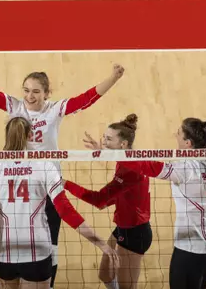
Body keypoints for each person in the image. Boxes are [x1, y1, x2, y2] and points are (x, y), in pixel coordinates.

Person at [0, 47, 124, 289]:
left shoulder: (54, 109)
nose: (30, 96)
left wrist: (113, 78)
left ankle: (45, 281)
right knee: (18, 229)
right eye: (27, 91)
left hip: (47, 182)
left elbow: (86, 99)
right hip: (16, 177)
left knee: (50, 243)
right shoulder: (14, 106)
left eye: (36, 92)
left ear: (46, 93)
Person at [82, 99, 206, 289]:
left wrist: (108, 152)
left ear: (188, 143)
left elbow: (146, 166)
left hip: (192, 250)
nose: (174, 134)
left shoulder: (185, 170)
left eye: (178, 133)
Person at [0, 117, 119, 289]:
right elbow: (65, 211)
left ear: (7, 135)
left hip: (4, 255)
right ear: (31, 136)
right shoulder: (46, 166)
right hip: (37, 254)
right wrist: (100, 242)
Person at [64, 114, 152, 289]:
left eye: (108, 139)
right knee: (105, 273)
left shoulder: (129, 170)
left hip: (135, 234)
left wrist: (65, 184)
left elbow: (99, 200)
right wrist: (101, 152)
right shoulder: (129, 158)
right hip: (123, 226)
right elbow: (122, 193)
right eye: (104, 137)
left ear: (123, 144)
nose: (104, 141)